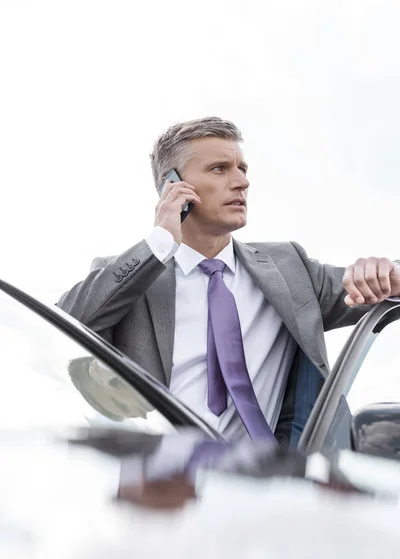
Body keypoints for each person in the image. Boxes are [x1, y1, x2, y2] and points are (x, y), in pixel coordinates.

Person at [57, 116, 400, 446]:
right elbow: (60, 328)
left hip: (268, 486)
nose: (242, 181)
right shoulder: (130, 276)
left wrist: (384, 272)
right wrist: (160, 241)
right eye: (220, 169)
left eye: (243, 168)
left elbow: (386, 283)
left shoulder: (289, 268)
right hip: (162, 488)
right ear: (172, 186)